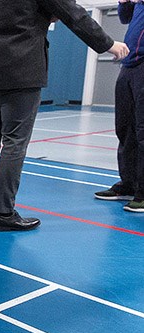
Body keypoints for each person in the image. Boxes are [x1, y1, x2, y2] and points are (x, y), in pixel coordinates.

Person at [0, 0, 129, 230]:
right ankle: (4, 212)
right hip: (20, 68)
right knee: (15, 141)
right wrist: (107, 44)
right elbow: (72, 14)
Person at [94, 0, 144, 213]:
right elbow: (125, 18)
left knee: (143, 131)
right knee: (125, 128)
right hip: (129, 65)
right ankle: (128, 183)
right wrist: (124, 3)